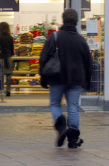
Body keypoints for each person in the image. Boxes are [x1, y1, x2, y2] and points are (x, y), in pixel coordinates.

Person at [39, 9, 93, 148]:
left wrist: (43, 77)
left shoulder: (55, 37)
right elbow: (89, 62)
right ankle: (73, 139)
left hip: (57, 77)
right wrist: (87, 80)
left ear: (63, 20)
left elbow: (44, 57)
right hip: (76, 79)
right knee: (73, 108)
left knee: (55, 104)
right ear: (76, 21)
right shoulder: (81, 40)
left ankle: (61, 126)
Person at [0, 22, 14, 97]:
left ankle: (0, 90)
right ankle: (8, 90)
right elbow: (12, 50)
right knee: (8, 75)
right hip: (8, 58)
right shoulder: (10, 37)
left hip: (0, 58)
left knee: (0, 75)